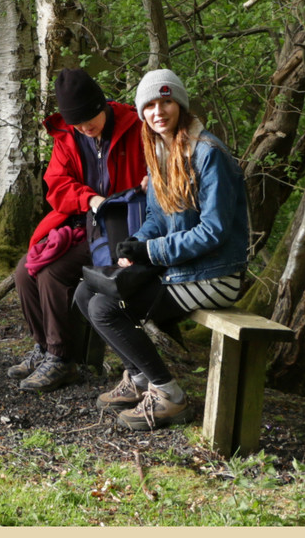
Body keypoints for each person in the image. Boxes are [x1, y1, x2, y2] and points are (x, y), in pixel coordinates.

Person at [74, 68, 249, 430]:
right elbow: (156, 214)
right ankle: (139, 379)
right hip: (180, 269)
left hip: (215, 274)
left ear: (180, 105)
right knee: (83, 292)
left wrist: (152, 251)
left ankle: (168, 394)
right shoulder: (160, 150)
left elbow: (214, 231)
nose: (159, 111)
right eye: (150, 105)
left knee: (105, 308)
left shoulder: (208, 154)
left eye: (166, 101)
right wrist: (137, 243)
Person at [7, 67, 148, 392]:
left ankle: (61, 359)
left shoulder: (136, 127)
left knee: (53, 272)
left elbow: (159, 168)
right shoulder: (68, 137)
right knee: (24, 271)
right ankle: (44, 348)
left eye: (90, 119)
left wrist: (147, 184)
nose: (85, 128)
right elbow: (56, 184)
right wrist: (90, 198)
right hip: (80, 221)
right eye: (78, 123)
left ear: (102, 104)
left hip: (123, 228)